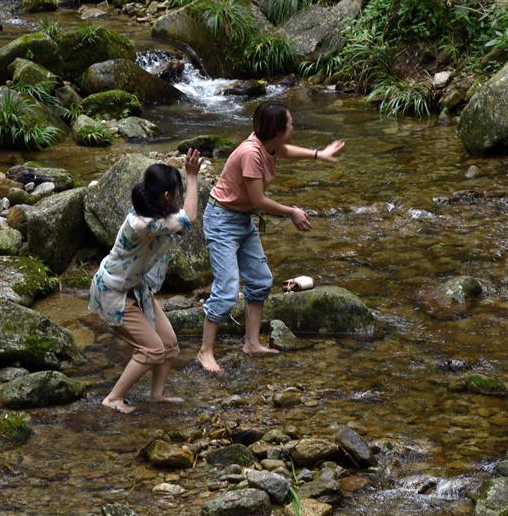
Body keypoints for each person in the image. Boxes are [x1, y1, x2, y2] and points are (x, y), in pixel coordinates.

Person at [198, 101, 345, 373]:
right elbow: (259, 199)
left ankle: (251, 344)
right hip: (222, 221)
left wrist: (319, 154)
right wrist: (292, 212)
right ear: (277, 131)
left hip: (241, 218)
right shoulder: (251, 153)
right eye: (290, 123)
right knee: (228, 289)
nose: (294, 126)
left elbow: (284, 151)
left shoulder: (269, 144)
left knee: (261, 280)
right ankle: (205, 352)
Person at [89, 149, 202, 413]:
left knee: (169, 345)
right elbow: (189, 219)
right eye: (177, 191)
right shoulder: (144, 223)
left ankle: (157, 396)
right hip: (114, 293)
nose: (179, 196)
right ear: (165, 197)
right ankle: (113, 398)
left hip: (136, 289)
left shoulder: (149, 204)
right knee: (151, 350)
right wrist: (193, 176)